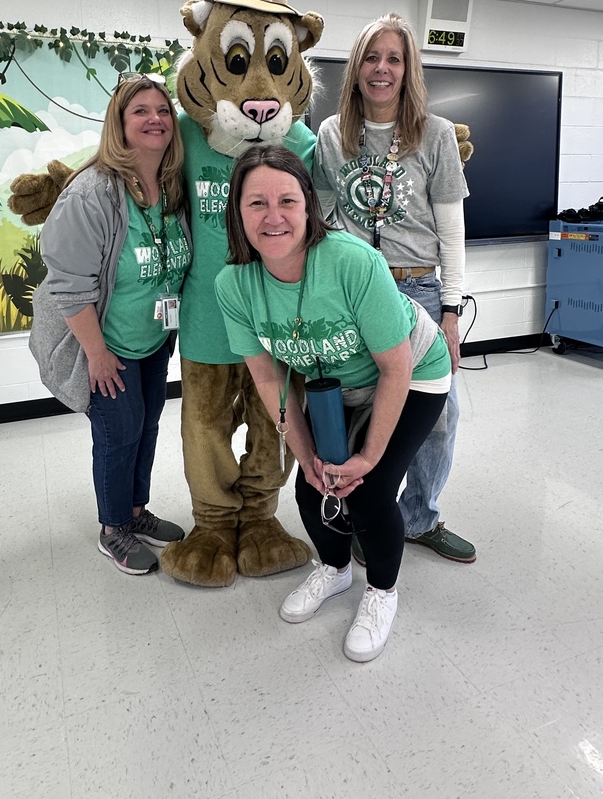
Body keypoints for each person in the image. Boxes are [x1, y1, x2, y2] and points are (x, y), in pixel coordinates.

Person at [214, 145, 451, 662]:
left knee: (368, 492)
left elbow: (396, 368)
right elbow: (270, 381)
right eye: (256, 203)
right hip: (337, 387)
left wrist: (367, 458)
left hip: (413, 373)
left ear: (308, 207)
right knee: (313, 488)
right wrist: (305, 456)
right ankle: (336, 570)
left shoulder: (351, 261)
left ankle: (382, 592)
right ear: (237, 211)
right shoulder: (233, 285)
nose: (273, 217)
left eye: (287, 201)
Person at [313, 13, 476, 563]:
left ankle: (421, 517)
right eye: (371, 57)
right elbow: (324, 218)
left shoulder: (435, 134)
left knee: (438, 413)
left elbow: (451, 231)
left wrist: (451, 311)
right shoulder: (334, 135)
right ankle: (369, 512)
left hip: (421, 290)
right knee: (364, 405)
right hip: (358, 293)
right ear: (357, 68)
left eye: (394, 59)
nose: (381, 69)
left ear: (409, 71)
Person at [30, 74, 191, 575]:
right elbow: (70, 285)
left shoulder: (169, 186)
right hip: (107, 344)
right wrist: (97, 354)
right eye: (140, 111)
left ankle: (136, 512)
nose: (155, 119)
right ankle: (113, 528)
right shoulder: (92, 193)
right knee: (118, 432)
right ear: (119, 125)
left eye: (162, 110)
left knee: (146, 428)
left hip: (154, 338)